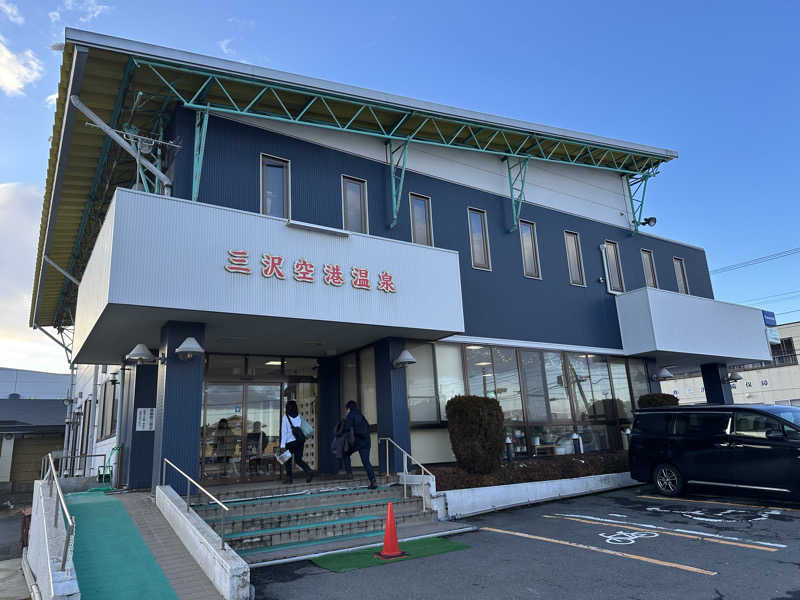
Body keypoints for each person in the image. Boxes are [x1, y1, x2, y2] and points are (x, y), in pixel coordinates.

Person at [342, 400, 377, 489]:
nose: (346, 411)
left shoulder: (350, 415)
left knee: (345, 453)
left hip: (357, 442)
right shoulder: (361, 415)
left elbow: (346, 428)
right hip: (366, 441)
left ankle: (349, 474)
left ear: (348, 408)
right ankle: (373, 481)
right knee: (366, 462)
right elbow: (367, 427)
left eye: (347, 409)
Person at [280, 400, 313, 484]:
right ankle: (308, 470)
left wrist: (282, 445)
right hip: (299, 441)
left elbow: (284, 432)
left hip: (289, 442)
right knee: (298, 459)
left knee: (287, 460)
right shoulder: (298, 416)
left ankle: (289, 478)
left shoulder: (285, 417)